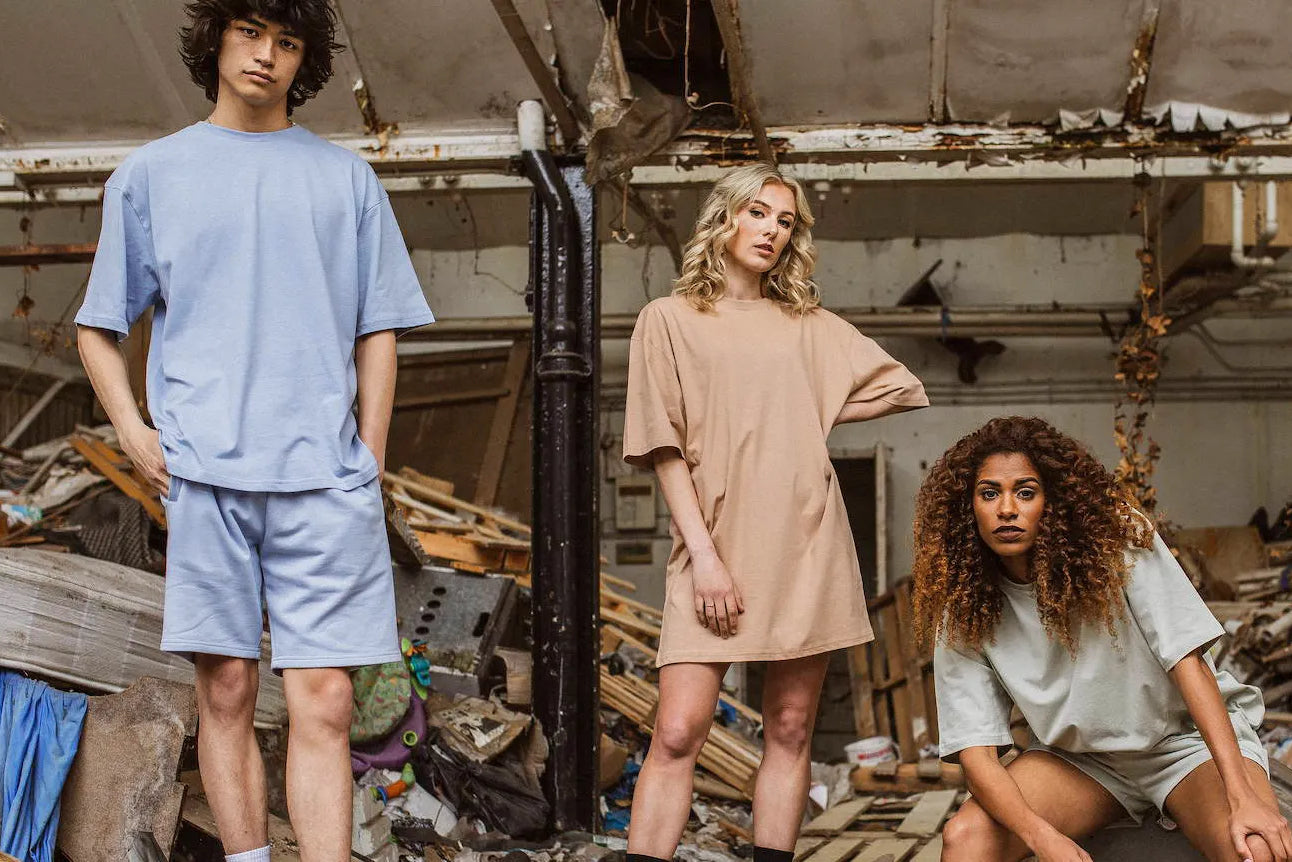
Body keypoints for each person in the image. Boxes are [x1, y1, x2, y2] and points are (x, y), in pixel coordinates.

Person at [74, 2, 433, 860]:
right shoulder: (152, 175)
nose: (266, 56)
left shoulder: (347, 180)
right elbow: (98, 326)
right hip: (206, 478)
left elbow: (377, 331)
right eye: (250, 32)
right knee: (227, 691)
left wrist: (370, 461)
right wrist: (132, 430)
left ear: (303, 59)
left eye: (288, 41)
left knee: (327, 701)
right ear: (216, 39)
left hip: (326, 482)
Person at [621, 163, 928, 862]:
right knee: (676, 732)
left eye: (785, 221)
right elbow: (664, 448)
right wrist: (704, 558)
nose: (771, 230)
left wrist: (808, 410)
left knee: (790, 728)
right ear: (725, 218)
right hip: (714, 548)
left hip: (805, 544)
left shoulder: (805, 326)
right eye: (758, 213)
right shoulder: (667, 320)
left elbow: (903, 387)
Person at [913, 416, 1290, 862]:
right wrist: (1043, 837)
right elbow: (976, 755)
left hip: (1181, 743)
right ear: (967, 505)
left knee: (1257, 848)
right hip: (1080, 763)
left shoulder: (1117, 540)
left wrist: (1243, 794)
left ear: (1052, 502)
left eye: (1026, 492)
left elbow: (1188, 662)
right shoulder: (964, 603)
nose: (1007, 509)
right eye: (990, 493)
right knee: (964, 838)